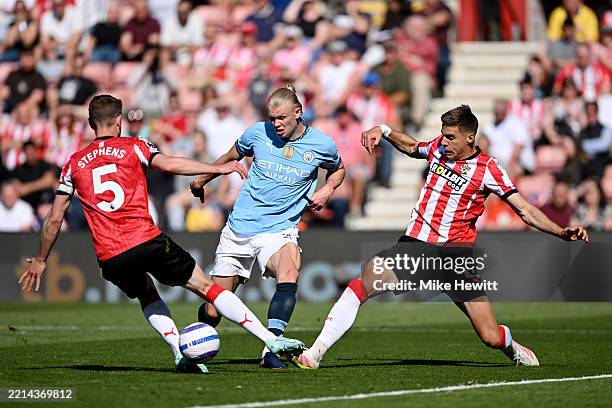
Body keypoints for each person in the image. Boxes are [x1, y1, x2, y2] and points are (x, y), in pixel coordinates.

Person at [18, 95, 305, 373]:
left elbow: (55, 217)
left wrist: (42, 259)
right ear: (118, 121)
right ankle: (270, 339)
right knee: (208, 288)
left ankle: (179, 353)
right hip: (145, 239)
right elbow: (168, 164)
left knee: (146, 295)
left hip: (110, 255)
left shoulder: (74, 163)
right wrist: (216, 168)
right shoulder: (134, 145)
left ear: (92, 124)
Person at [293, 104, 589, 369]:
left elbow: (524, 210)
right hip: (415, 246)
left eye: (451, 137)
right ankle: (316, 352)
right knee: (362, 283)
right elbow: (412, 147)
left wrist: (561, 232)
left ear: (469, 138)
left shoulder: (489, 168)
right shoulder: (437, 148)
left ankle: (509, 343)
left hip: (454, 257)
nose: (443, 142)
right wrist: (383, 130)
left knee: (489, 336)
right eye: (443, 135)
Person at [190, 86, 345, 370]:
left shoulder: (321, 144)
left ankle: (272, 347)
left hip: (279, 229)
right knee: (213, 310)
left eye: (282, 118)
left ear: (298, 113)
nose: (276, 124)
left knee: (289, 270)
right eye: (272, 118)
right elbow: (229, 155)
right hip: (239, 229)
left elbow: (339, 169)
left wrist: (327, 190)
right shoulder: (257, 133)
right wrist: (202, 177)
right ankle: (195, 344)